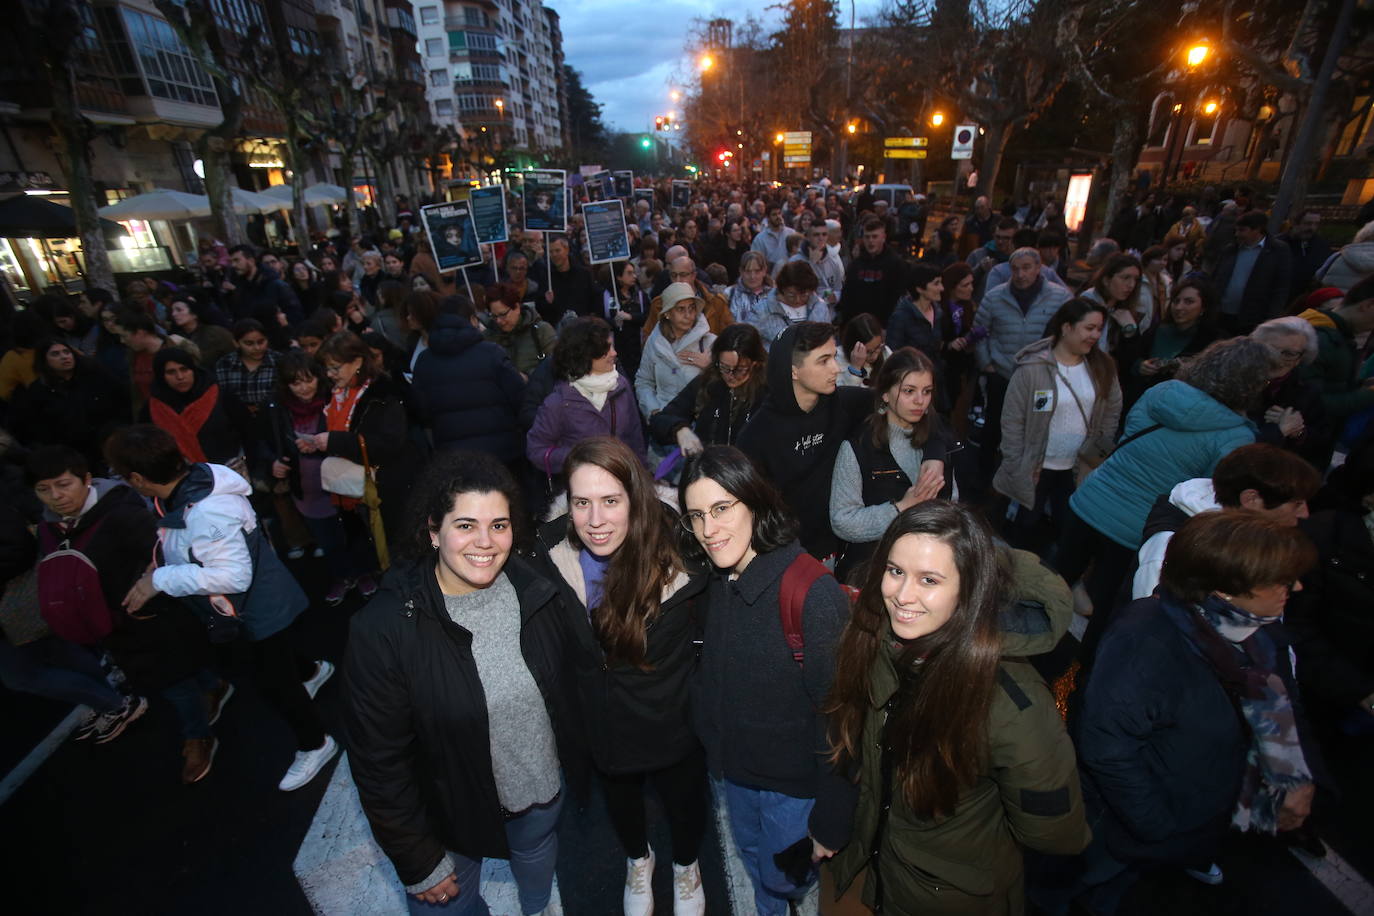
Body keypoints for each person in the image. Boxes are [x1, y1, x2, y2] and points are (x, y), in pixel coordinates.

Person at [826, 502, 1089, 914]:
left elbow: (1056, 834)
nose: (902, 595)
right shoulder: (880, 638)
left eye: (928, 579)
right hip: (889, 873)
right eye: (895, 572)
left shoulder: (1012, 705)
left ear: (970, 589)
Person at [342, 452, 575, 915]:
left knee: (534, 854)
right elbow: (379, 760)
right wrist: (417, 858)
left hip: (538, 790)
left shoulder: (536, 589)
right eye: (465, 525)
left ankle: (535, 907)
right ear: (433, 531)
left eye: (500, 525)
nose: (486, 543)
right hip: (449, 817)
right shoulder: (385, 628)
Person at [1069, 511, 1320, 914]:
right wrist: (1157, 826)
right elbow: (1108, 749)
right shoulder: (1146, 644)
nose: (1296, 587)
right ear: (1223, 589)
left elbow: (1283, 701)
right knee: (1092, 888)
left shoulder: (1258, 627)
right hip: (1137, 824)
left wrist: (1293, 771)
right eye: (1279, 580)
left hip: (1198, 804)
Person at [104, 425, 337, 792]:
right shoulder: (193, 485)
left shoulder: (207, 511)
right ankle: (312, 671)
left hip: (255, 607)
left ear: (138, 478)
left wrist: (159, 580)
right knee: (281, 660)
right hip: (263, 598)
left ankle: (316, 743)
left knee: (276, 687)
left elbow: (232, 577)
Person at [677, 446, 855, 916]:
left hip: (792, 787)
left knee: (782, 877)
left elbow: (842, 718)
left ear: (755, 501)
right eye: (696, 515)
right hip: (736, 773)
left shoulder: (811, 594)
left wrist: (832, 820)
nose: (708, 530)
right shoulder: (720, 579)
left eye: (721, 509)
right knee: (757, 862)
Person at [536, 438, 710, 915]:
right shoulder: (547, 553)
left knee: (683, 799)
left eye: (611, 501)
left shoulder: (685, 557)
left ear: (635, 497)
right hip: (602, 724)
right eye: (581, 503)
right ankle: (639, 859)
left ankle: (687, 865)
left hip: (671, 718)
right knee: (620, 799)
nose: (595, 521)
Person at [1055, 337, 1275, 649]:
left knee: (1055, 577)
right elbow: (1207, 493)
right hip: (1135, 532)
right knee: (1106, 611)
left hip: (1092, 500)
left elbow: (1130, 431)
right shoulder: (1236, 436)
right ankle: (1082, 679)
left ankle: (1018, 638)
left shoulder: (1162, 393)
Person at [737, 322, 876, 561]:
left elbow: (901, 401)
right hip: (784, 560)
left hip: (840, 551)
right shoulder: (756, 436)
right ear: (793, 371)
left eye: (834, 357)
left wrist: (934, 455)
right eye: (823, 361)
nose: (836, 369)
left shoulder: (842, 404)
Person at [995, 299, 1122, 546]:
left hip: (1078, 467)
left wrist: (1097, 452)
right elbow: (1012, 420)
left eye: (1099, 329)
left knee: (1065, 528)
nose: (1095, 335)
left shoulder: (1103, 367)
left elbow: (1112, 410)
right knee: (1024, 527)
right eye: (1089, 328)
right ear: (1066, 328)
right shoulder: (1032, 369)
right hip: (1035, 468)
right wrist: (1017, 463)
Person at [1132, 443, 1319, 601]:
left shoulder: (1241, 536)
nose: (1305, 514)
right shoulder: (1169, 549)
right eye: (1297, 504)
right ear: (1251, 499)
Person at [829, 348, 946, 582]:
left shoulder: (938, 443)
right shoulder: (858, 447)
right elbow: (842, 521)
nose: (919, 401)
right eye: (909, 391)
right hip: (871, 573)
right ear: (884, 394)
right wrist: (902, 508)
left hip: (925, 569)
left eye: (927, 391)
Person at [302, 330, 418, 564]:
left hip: (389, 489)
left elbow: (388, 444)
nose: (329, 374)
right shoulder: (338, 393)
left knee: (398, 549)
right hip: (357, 490)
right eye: (327, 368)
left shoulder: (383, 394)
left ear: (357, 361)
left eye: (335, 368)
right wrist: (317, 441)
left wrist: (334, 441)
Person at [258, 351, 357, 606]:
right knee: (327, 538)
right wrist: (273, 462)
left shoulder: (336, 399)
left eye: (308, 379)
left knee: (354, 534)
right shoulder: (275, 408)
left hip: (342, 484)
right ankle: (342, 577)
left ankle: (364, 573)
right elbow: (262, 441)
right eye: (295, 382)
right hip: (305, 487)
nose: (303, 388)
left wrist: (327, 444)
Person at [972, 248, 1074, 483]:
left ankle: (1020, 481)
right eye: (1015, 268)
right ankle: (983, 479)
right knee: (994, 427)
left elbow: (1068, 333)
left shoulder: (1059, 297)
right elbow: (979, 332)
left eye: (1026, 268)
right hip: (1003, 374)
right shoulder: (995, 296)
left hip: (1041, 378)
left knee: (1034, 430)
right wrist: (986, 363)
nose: (1020, 274)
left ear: (1039, 268)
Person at [528, 316, 647, 487]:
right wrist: (578, 457)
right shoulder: (559, 402)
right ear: (585, 355)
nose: (614, 353)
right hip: (580, 489)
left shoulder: (621, 386)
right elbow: (536, 450)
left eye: (612, 346)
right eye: (606, 349)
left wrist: (643, 478)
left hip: (621, 484)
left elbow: (635, 438)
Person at [649, 323, 769, 456]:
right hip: (706, 470)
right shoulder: (708, 383)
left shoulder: (768, 392)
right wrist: (680, 429)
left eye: (739, 370)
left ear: (755, 364)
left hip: (749, 472)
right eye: (724, 367)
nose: (730, 376)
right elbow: (660, 420)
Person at [10, 339, 126, 467]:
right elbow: (34, 425)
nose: (64, 357)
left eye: (66, 352)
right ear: (45, 360)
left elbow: (120, 403)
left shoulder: (96, 377)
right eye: (55, 354)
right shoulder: (39, 390)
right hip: (70, 453)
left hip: (106, 445)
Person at [145, 348, 253, 471]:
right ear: (161, 376)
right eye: (171, 372)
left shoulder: (220, 396)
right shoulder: (154, 407)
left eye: (184, 369)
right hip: (179, 477)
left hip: (229, 471)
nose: (180, 377)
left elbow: (248, 432)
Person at [1125, 277, 1219, 406]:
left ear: (1203, 308)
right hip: (1145, 402)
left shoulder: (1213, 341)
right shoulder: (1158, 330)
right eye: (1176, 301)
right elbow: (1132, 358)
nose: (1179, 307)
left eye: (1189, 302)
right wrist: (1141, 366)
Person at [1250, 317, 1329, 467]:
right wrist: (1279, 430)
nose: (1278, 359)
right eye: (1271, 349)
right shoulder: (1233, 380)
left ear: (1300, 358)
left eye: (1289, 353)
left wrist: (1298, 431)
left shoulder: (1307, 392)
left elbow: (1320, 443)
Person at [635, 282, 717, 421]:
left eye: (691, 308)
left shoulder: (710, 342)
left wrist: (711, 367)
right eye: (681, 309)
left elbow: (728, 383)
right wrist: (654, 412)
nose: (688, 315)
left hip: (699, 425)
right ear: (667, 313)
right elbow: (644, 381)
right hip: (665, 423)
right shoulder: (655, 342)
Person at [1211, 210, 1293, 335]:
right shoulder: (1230, 250)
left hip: (1252, 319)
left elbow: (1281, 287)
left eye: (1242, 230)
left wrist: (1272, 317)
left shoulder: (1278, 251)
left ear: (1257, 230)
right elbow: (1215, 277)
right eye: (1236, 230)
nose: (1237, 234)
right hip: (1222, 315)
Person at [839, 219, 906, 325]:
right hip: (856, 322)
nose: (870, 241)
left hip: (881, 323)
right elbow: (848, 293)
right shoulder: (856, 264)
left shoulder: (895, 263)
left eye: (874, 237)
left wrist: (886, 324)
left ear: (883, 238)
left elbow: (896, 297)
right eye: (867, 237)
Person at [482, 282, 555, 380]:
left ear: (516, 308)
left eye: (503, 314)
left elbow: (557, 369)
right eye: (494, 316)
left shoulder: (541, 331)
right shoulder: (487, 338)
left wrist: (528, 377)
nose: (499, 321)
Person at [753, 261, 833, 349]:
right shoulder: (763, 310)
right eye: (791, 295)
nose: (797, 300)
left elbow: (827, 339)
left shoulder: (819, 307)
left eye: (804, 295)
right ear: (781, 289)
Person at [1080, 254, 1146, 358]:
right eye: (1125, 278)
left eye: (1136, 279)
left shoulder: (1124, 309)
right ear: (1106, 280)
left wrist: (1130, 331)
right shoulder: (1088, 302)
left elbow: (1130, 359)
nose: (1131, 285)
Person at [885, 263, 945, 374]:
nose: (942, 288)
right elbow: (892, 355)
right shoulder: (901, 317)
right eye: (936, 283)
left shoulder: (938, 313)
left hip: (934, 378)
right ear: (920, 288)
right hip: (911, 378)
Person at [214, 319, 278, 415]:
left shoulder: (279, 361)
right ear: (236, 343)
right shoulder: (224, 365)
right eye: (249, 343)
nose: (257, 348)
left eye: (261, 342)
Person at [598, 260, 649, 379]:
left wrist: (630, 317)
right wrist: (613, 322)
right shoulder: (605, 295)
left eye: (634, 273)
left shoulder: (640, 295)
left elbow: (647, 317)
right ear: (619, 277)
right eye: (629, 273)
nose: (634, 276)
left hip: (637, 348)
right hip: (617, 348)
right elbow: (599, 320)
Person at [168, 297, 236, 370]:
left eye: (179, 310)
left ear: (194, 314)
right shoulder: (174, 337)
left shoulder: (217, 333)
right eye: (172, 311)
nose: (174, 314)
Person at [833, 314, 889, 389]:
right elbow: (844, 396)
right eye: (868, 352)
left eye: (878, 347)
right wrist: (855, 368)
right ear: (852, 347)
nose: (875, 356)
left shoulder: (886, 352)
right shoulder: (836, 359)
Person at [724, 250, 774, 324]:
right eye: (748, 271)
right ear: (741, 271)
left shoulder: (773, 295)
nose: (752, 276)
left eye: (757, 271)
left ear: (764, 271)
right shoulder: (728, 294)